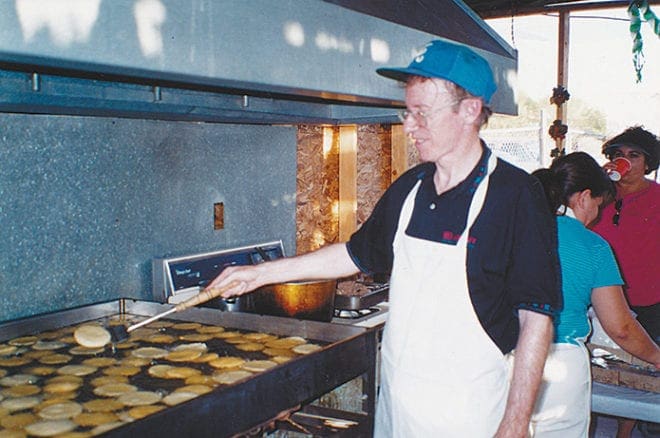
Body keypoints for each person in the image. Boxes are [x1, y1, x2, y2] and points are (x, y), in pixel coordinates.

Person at [208, 39, 561, 437]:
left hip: (470, 415)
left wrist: (514, 423)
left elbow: (535, 318)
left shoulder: (515, 195)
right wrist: (260, 274)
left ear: (470, 110)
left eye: (422, 114)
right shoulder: (410, 187)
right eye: (408, 112)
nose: (408, 126)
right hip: (398, 406)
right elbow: (355, 254)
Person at [530, 152, 660, 438]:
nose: (596, 216)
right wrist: (656, 355)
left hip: (504, 354)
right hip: (558, 364)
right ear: (584, 197)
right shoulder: (593, 246)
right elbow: (621, 328)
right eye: (598, 206)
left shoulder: (518, 227)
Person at [590, 126, 660, 438]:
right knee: (602, 369)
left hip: (651, 299)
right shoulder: (598, 196)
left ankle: (626, 431)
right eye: (619, 155)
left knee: (643, 369)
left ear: (649, 162)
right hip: (603, 299)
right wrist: (597, 183)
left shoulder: (657, 199)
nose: (625, 161)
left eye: (634, 155)